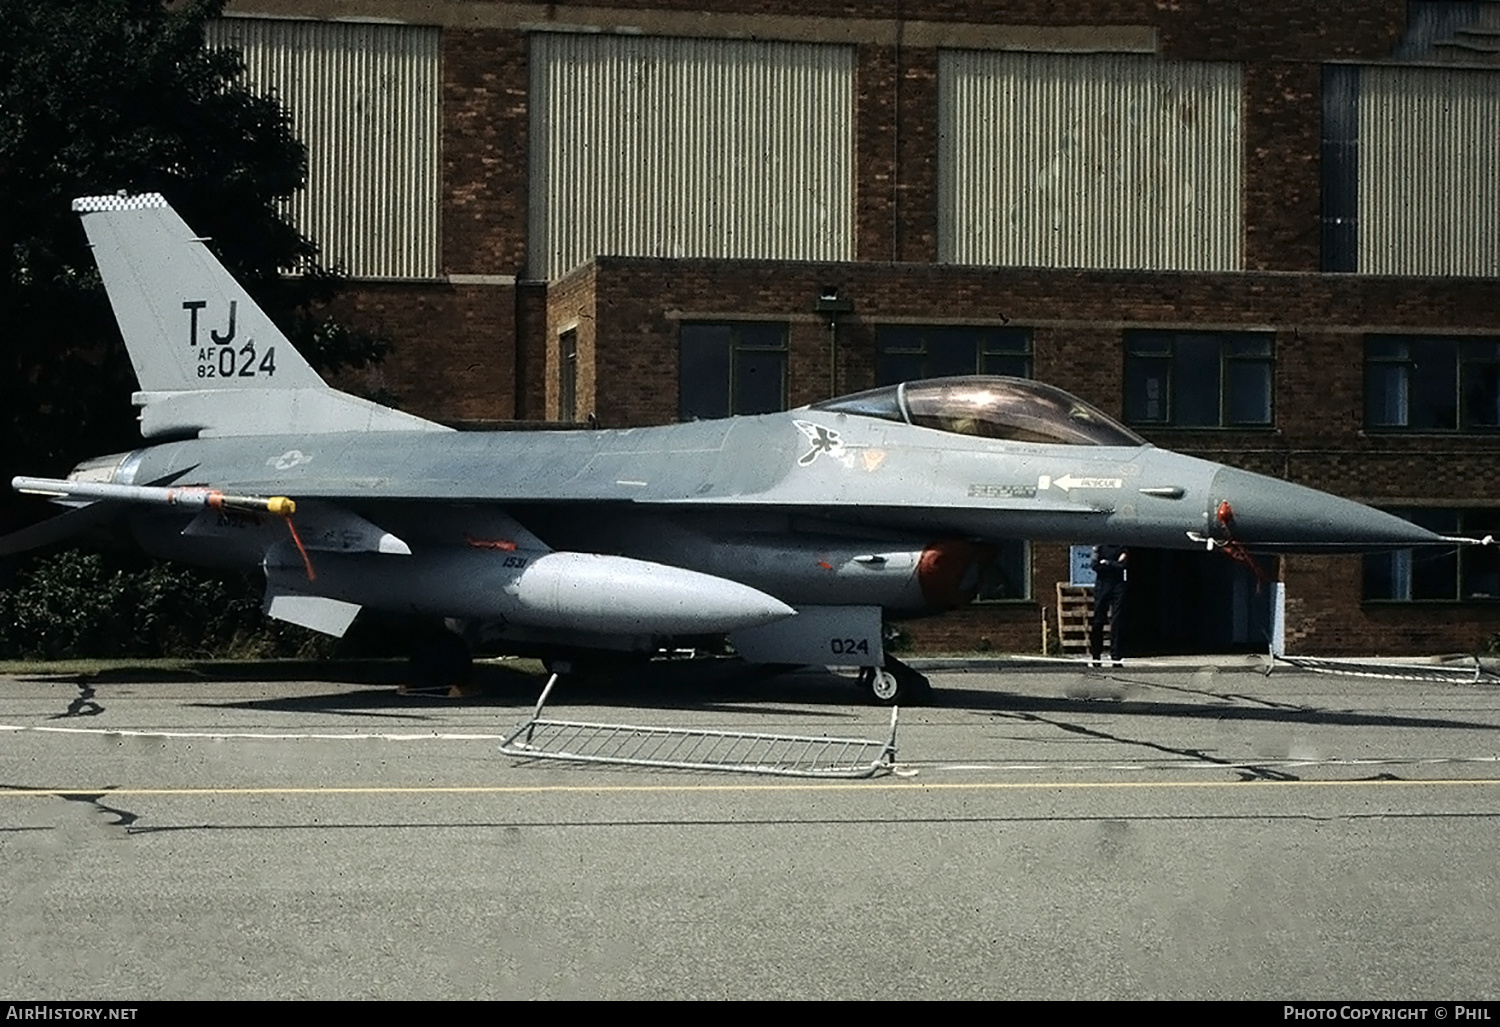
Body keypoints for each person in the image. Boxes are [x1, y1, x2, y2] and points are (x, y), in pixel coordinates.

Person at [1089, 544, 1128, 668]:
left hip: (1117, 585)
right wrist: (1114, 564)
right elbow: (1095, 566)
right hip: (1102, 585)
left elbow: (1123, 565)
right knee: (1098, 621)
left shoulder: (1122, 547)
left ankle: (1116, 656)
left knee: (1117, 621)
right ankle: (1096, 655)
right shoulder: (1099, 547)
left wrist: (1107, 563)